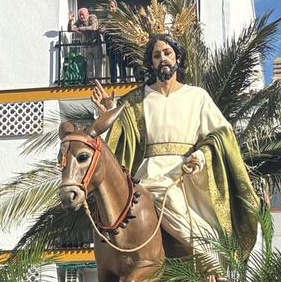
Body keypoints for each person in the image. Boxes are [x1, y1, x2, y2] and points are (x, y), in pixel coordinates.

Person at [91, 34, 259, 253]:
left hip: (186, 172)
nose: (163, 59)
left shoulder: (197, 96)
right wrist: (110, 114)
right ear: (151, 63)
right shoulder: (137, 100)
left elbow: (221, 134)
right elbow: (119, 141)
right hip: (149, 172)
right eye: (157, 55)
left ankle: (208, 253)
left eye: (168, 53)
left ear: (177, 58)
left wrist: (199, 156)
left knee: (168, 196)